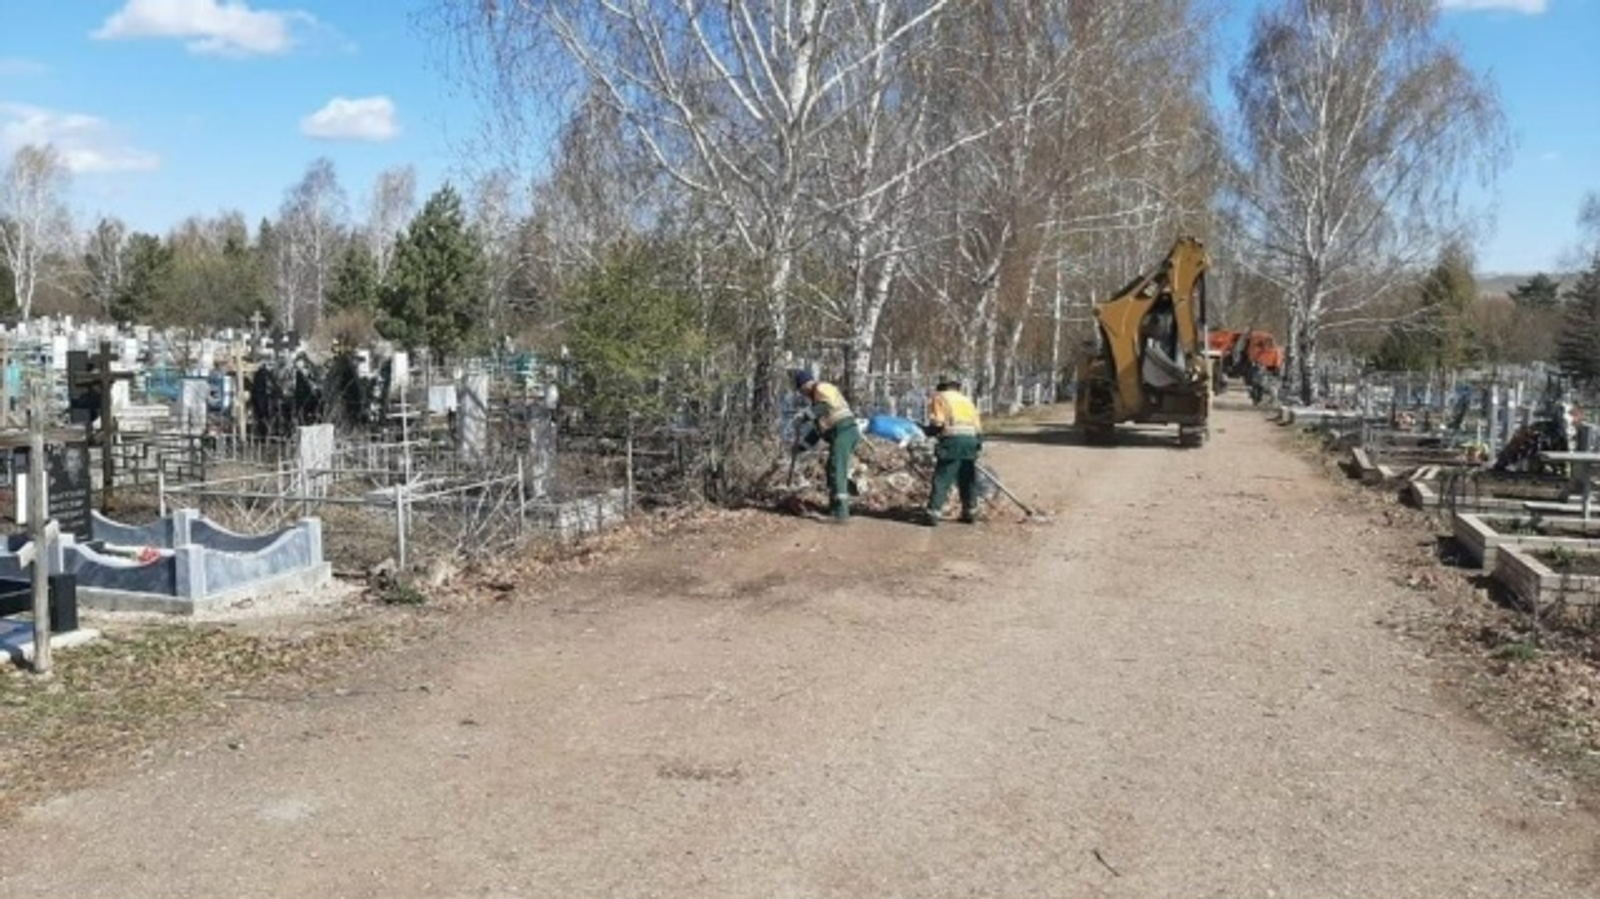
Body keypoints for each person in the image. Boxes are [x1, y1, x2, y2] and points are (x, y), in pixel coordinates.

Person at [791, 369, 860, 523]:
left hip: (844, 431)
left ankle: (840, 514)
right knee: (831, 469)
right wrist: (800, 447)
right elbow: (817, 431)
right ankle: (835, 507)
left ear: (806, 384)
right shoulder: (815, 399)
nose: (802, 393)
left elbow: (826, 407)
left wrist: (805, 415)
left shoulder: (822, 388)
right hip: (839, 434)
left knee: (837, 468)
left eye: (801, 389)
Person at [921, 377, 983, 526]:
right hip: (972, 440)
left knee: (943, 476)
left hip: (953, 440)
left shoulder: (939, 398)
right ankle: (971, 511)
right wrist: (978, 444)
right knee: (967, 477)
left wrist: (926, 431)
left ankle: (933, 512)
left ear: (942, 387)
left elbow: (938, 423)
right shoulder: (966, 400)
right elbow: (978, 426)